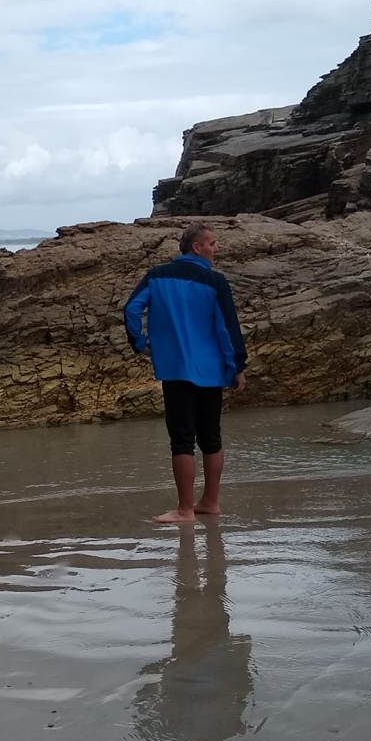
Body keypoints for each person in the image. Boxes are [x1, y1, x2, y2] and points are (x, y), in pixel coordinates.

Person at [123, 223, 246, 524]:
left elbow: (131, 310)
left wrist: (140, 343)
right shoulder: (216, 281)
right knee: (211, 437)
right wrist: (237, 367)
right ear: (196, 247)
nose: (217, 248)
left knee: (182, 439)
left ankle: (185, 510)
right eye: (212, 243)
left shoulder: (157, 276)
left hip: (176, 369)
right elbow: (227, 328)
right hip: (211, 371)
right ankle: (211, 502)